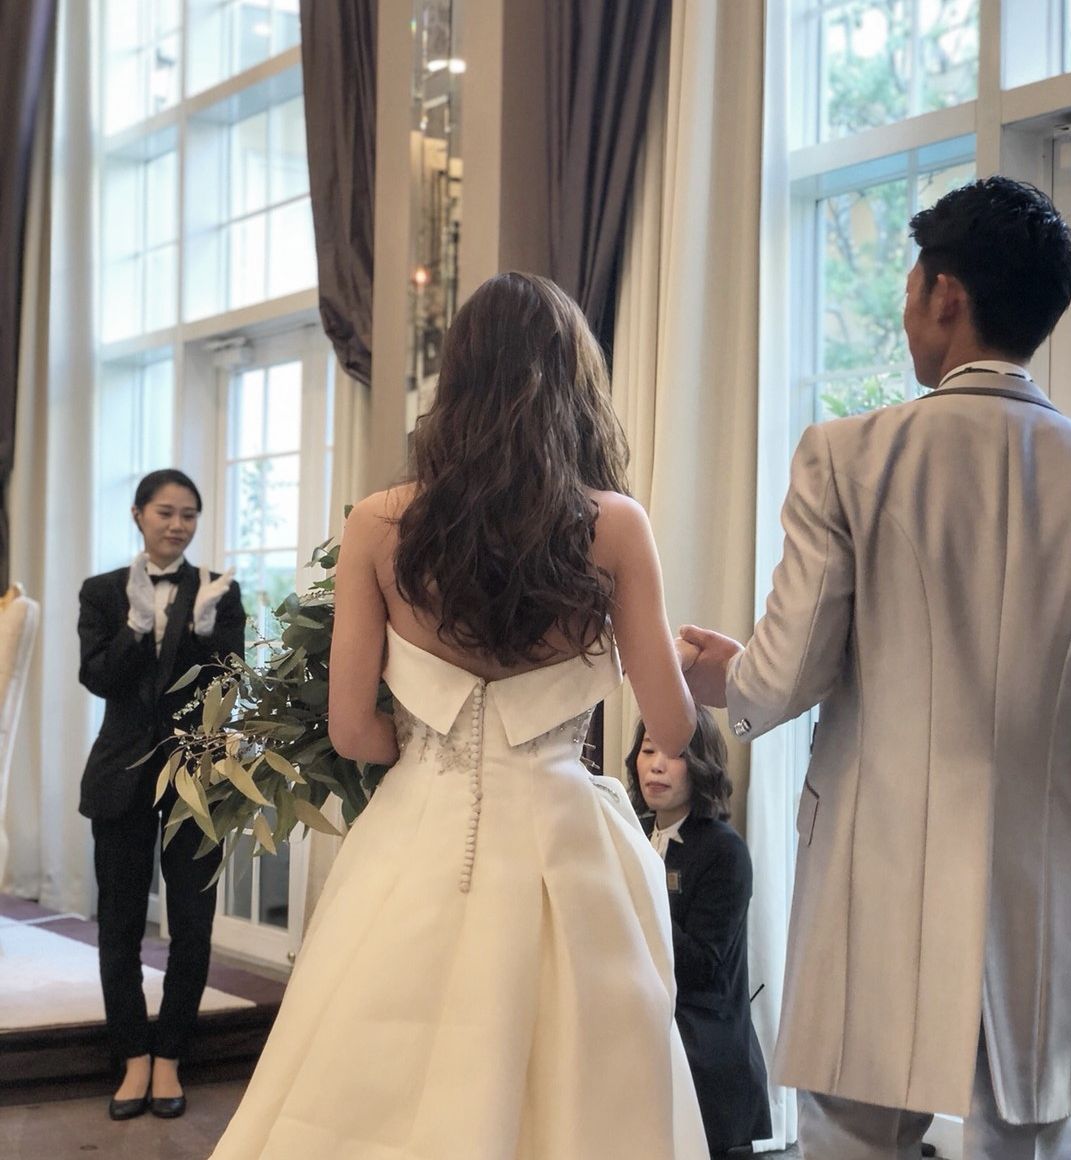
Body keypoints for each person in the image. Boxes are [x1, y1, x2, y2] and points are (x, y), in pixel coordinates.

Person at [209, 272, 710, 1159]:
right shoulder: (615, 525)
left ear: (458, 380)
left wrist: (428, 742)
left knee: (371, 1080)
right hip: (564, 838)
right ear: (573, 380)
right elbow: (671, 730)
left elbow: (351, 731)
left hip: (418, 830)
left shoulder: (379, 523)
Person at [678, 176, 1071, 1160]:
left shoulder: (850, 456)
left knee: (850, 1135)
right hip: (1050, 890)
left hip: (877, 874)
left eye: (911, 284)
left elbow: (782, 677)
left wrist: (724, 680)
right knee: (1033, 1139)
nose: (907, 304)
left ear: (945, 295)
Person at [78, 468, 245, 1121]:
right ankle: (133, 1057)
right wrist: (136, 628)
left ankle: (171, 1054)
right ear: (138, 514)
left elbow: (229, 685)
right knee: (119, 922)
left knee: (193, 923)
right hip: (120, 775)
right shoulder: (101, 591)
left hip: (195, 772)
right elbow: (98, 678)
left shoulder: (220, 590)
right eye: (166, 512)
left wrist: (202, 635)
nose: (178, 525)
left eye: (189, 515)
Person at [625, 709, 771, 1158]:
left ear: (700, 764)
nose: (656, 766)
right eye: (648, 750)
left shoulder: (724, 850)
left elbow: (702, 967)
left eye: (673, 754)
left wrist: (639, 899)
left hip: (704, 1051)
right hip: (644, 1037)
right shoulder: (632, 833)